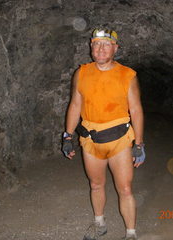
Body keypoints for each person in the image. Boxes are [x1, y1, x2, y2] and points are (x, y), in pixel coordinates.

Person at [62, 28, 145, 240]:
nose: (100, 48)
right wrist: (68, 136)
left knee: (125, 188)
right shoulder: (81, 73)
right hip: (90, 139)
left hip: (119, 140)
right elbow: (75, 105)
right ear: (91, 46)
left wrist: (139, 143)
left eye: (106, 44)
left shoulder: (127, 75)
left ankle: (131, 233)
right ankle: (99, 223)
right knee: (96, 184)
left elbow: (135, 109)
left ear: (115, 48)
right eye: (97, 44)